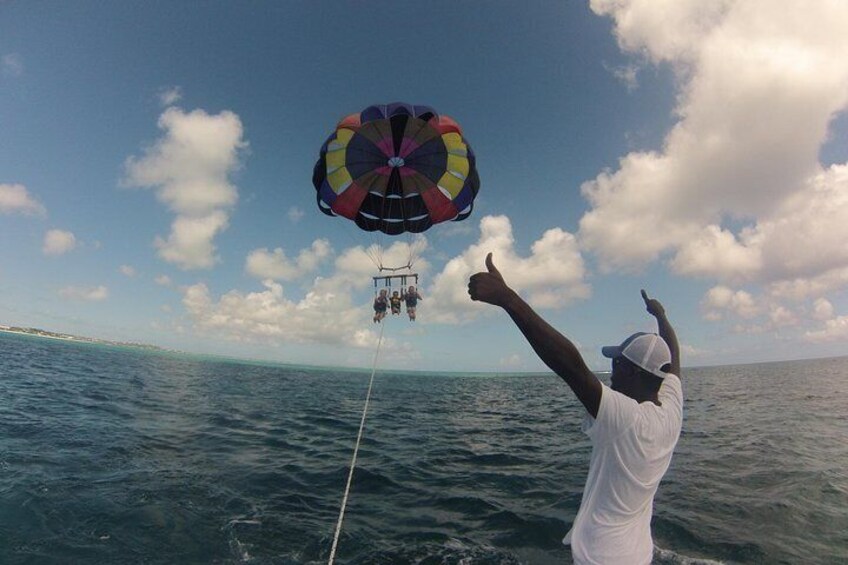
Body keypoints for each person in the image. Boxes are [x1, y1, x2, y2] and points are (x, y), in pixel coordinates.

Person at [468, 253, 682, 565]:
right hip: (638, 554)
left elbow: (570, 365)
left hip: (600, 558)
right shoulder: (672, 410)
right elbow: (673, 359)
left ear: (636, 374)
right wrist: (661, 316)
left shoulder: (627, 420)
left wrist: (507, 299)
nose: (611, 371)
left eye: (617, 363)